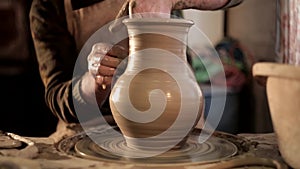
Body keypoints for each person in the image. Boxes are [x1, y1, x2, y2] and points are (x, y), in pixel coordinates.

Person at [29, 0, 243, 141]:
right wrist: (96, 80)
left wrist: (170, 0)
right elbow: (56, 96)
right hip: (89, 129)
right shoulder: (49, 6)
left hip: (181, 119)